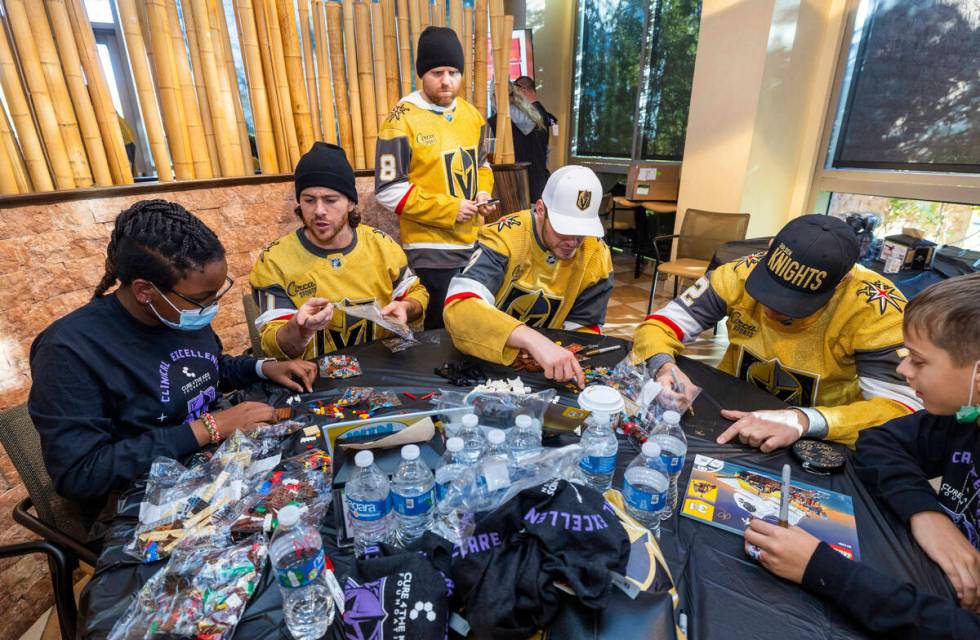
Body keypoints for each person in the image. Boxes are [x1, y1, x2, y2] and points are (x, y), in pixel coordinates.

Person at [28, 200, 315, 530]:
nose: (212, 308)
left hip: (219, 468)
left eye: (216, 294)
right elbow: (81, 473)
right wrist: (210, 427)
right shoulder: (68, 351)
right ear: (145, 291)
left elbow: (205, 369)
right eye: (202, 300)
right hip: (143, 509)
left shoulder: (179, 314)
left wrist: (261, 368)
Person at [745, 273, 980, 637]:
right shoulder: (965, 418)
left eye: (918, 361)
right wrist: (927, 515)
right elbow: (878, 441)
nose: (902, 371)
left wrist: (824, 571)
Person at [634, 214, 920, 449]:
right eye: (768, 290)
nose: (772, 308)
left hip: (820, 432)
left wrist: (804, 421)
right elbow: (660, 325)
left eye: (795, 302)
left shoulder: (875, 311)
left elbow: (901, 409)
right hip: (730, 409)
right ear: (769, 249)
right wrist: (664, 366)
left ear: (842, 281)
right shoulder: (736, 274)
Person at [250, 142, 427, 359]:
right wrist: (300, 329)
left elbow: (416, 294)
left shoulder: (382, 245)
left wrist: (407, 307)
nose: (319, 211)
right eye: (309, 200)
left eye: (330, 200)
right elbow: (272, 345)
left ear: (351, 202)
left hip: (384, 372)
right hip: (314, 383)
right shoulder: (274, 262)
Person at [443, 165, 613, 387]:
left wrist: (565, 352)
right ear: (541, 209)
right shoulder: (505, 237)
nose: (573, 241)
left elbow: (583, 329)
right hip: (482, 360)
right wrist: (532, 339)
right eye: (564, 228)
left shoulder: (596, 255)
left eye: (581, 231)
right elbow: (459, 309)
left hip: (543, 371)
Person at [375, 26, 496, 330]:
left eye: (453, 72)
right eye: (437, 72)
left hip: (474, 244)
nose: (446, 81)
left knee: (473, 325)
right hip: (430, 252)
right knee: (440, 334)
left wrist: (482, 193)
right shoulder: (401, 120)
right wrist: (449, 209)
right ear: (422, 74)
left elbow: (483, 165)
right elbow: (388, 189)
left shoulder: (473, 116)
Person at [493, 76, 557, 203]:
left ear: (521, 89)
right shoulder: (540, 115)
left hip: (522, 185)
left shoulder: (527, 117)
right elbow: (547, 151)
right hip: (538, 181)